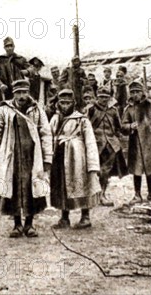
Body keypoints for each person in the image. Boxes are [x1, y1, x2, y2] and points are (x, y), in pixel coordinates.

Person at [0, 79, 52, 238]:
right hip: (12, 157)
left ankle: (29, 225)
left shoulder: (37, 110)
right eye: (18, 92)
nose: (21, 96)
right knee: (13, 188)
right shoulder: (4, 110)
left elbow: (45, 133)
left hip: (32, 156)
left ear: (28, 92)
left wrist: (47, 158)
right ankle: (17, 225)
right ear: (13, 93)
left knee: (33, 189)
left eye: (24, 92)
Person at [49, 89, 101, 229]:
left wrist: (93, 165)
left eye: (68, 103)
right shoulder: (55, 119)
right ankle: (64, 218)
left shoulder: (82, 120)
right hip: (60, 156)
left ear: (73, 103)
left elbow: (90, 141)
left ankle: (85, 217)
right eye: (62, 103)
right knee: (62, 187)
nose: (65, 106)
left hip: (78, 158)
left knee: (82, 185)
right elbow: (49, 136)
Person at [121, 80, 151, 203]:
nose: (135, 94)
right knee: (137, 169)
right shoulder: (129, 109)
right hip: (135, 143)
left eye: (137, 91)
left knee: (150, 167)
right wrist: (130, 126)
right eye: (132, 92)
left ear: (142, 92)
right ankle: (137, 194)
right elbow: (123, 125)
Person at [86, 87, 128, 206]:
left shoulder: (113, 111)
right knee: (94, 171)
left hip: (111, 145)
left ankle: (102, 195)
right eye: (101, 97)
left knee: (106, 172)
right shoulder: (91, 110)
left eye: (106, 97)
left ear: (109, 98)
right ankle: (93, 195)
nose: (103, 99)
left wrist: (130, 128)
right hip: (95, 144)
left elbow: (119, 127)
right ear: (97, 97)